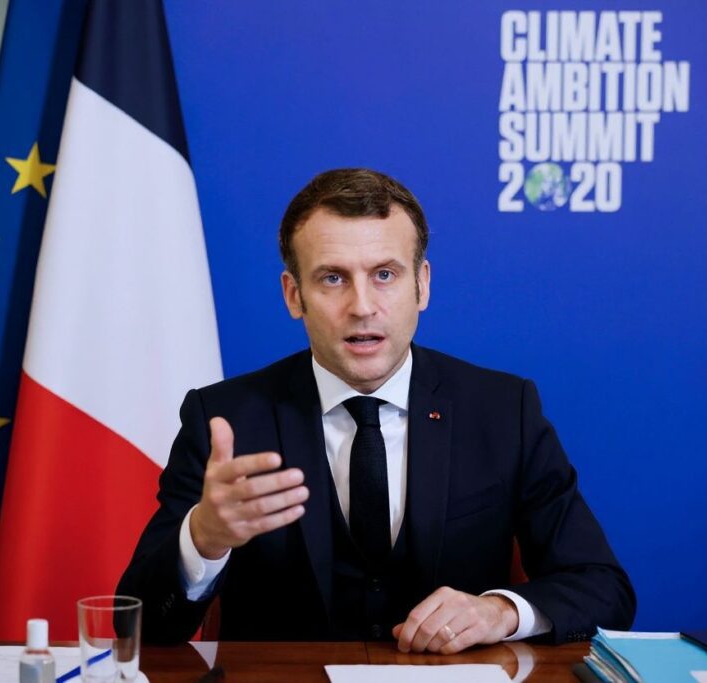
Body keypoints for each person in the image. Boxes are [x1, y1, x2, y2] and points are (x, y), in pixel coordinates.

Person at [117, 168, 636, 652]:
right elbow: (137, 626)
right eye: (333, 278)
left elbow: (603, 587)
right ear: (294, 295)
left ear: (422, 285)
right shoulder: (223, 420)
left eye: (384, 274)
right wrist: (203, 540)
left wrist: (500, 611)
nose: (362, 306)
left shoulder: (503, 411)